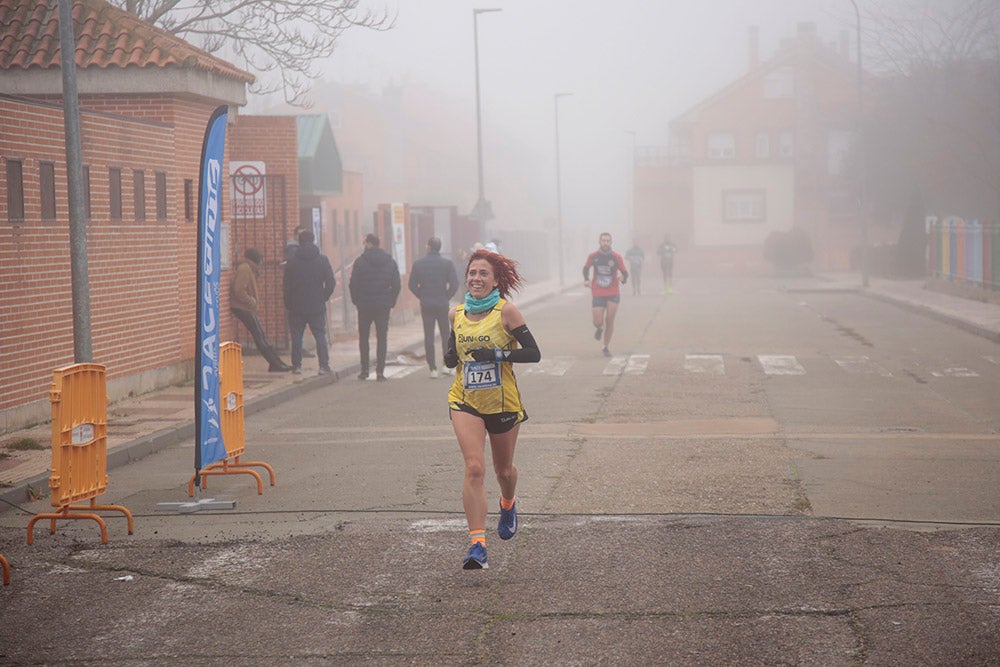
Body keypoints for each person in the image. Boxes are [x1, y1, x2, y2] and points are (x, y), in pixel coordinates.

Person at [444, 248, 541, 569]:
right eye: (472, 273)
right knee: (474, 467)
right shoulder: (455, 314)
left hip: (502, 403)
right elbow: (453, 351)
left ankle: (508, 502)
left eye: (483, 273)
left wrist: (497, 355)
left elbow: (533, 353)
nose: (476, 278)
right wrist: (450, 357)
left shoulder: (506, 312)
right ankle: (477, 545)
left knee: (504, 472)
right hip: (465, 401)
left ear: (495, 280)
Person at [283, 229, 336, 375]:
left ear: (299, 242)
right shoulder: (322, 260)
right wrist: (323, 296)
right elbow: (331, 282)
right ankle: (323, 365)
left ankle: (297, 366)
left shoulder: (292, 262)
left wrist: (288, 302)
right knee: (319, 335)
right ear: (313, 241)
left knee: (296, 336)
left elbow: (286, 285)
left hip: (296, 304)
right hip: (316, 304)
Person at [230, 248, 293, 372]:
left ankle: (276, 362)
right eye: (260, 258)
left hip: (245, 307)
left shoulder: (249, 268)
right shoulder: (245, 269)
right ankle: (275, 363)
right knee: (259, 336)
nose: (261, 261)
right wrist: (251, 301)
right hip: (243, 308)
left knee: (261, 335)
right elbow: (239, 290)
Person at [349, 233, 401, 381]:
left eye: (365, 242)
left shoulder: (360, 262)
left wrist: (356, 301)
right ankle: (380, 371)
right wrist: (391, 301)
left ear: (370, 244)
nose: (363, 245)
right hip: (383, 305)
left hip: (364, 304)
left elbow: (353, 284)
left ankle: (364, 370)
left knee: (363, 337)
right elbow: (397, 284)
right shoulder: (390, 261)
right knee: (382, 337)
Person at [408, 237, 459, 378]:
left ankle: (433, 368)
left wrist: (422, 295)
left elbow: (412, 285)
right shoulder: (447, 264)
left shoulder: (418, 264)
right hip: (442, 303)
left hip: (426, 304)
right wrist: (446, 296)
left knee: (429, 336)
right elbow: (454, 284)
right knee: (445, 335)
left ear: (429, 247)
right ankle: (446, 365)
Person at [582, 232, 628, 357]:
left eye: (608, 241)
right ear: (599, 242)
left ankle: (606, 346)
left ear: (611, 242)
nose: (606, 243)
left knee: (609, 320)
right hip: (598, 291)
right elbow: (586, 268)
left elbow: (625, 272)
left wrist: (623, 278)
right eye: (603, 240)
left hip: (613, 292)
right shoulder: (593, 256)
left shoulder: (616, 257)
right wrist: (586, 280)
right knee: (597, 321)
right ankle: (599, 328)